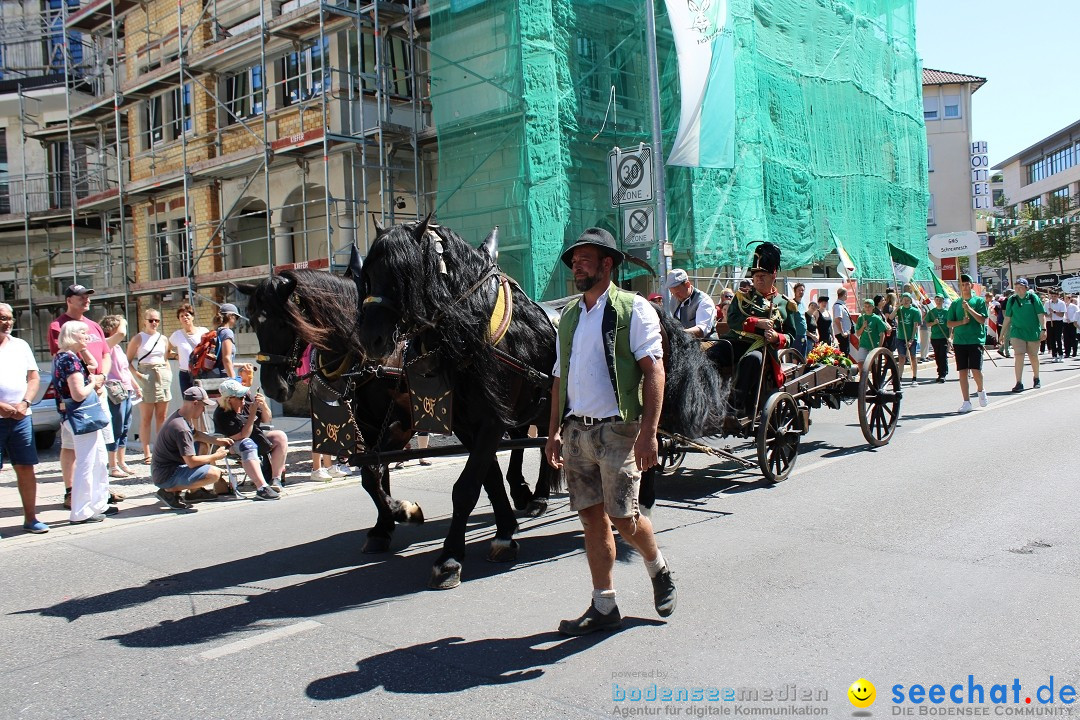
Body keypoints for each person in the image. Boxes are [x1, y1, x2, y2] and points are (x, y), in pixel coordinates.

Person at [544, 227, 675, 635]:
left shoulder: (633, 309)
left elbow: (654, 372)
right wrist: (551, 434)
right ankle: (604, 605)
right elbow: (558, 379)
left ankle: (658, 568)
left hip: (618, 431)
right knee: (590, 520)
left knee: (623, 517)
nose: (575, 265)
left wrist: (648, 432)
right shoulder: (567, 315)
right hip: (576, 433)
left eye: (584, 258)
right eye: (573, 260)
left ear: (607, 263)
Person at [48, 284, 119, 510]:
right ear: (69, 299)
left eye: (88, 296)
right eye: (81, 297)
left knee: (101, 445)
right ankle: (73, 493)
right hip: (79, 394)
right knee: (73, 447)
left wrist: (101, 378)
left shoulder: (94, 326)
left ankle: (99, 492)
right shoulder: (58, 326)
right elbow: (65, 356)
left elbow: (106, 355)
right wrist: (91, 380)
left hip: (97, 389)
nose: (87, 300)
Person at [715, 243, 797, 418]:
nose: (758, 279)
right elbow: (734, 320)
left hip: (762, 348)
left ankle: (736, 406)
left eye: (763, 275)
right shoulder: (742, 297)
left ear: (773, 275)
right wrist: (756, 322)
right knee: (711, 353)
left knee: (752, 360)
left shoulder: (785, 303)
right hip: (736, 341)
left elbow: (791, 336)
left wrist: (776, 336)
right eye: (756, 275)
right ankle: (707, 398)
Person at [54, 321, 115, 524]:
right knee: (86, 463)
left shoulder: (69, 356)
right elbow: (78, 394)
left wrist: (85, 348)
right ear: (71, 335)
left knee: (98, 458)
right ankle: (80, 511)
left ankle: (97, 504)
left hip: (81, 417)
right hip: (80, 416)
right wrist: (93, 382)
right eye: (83, 333)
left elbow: (94, 365)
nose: (87, 337)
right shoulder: (68, 360)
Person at [0, 304, 47, 534]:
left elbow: (33, 377)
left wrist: (25, 402)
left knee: (26, 467)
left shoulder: (21, 345)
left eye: (10, 318)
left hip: (21, 417)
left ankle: (31, 518)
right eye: (2, 318)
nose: (7, 323)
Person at [152, 386, 235, 511]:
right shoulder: (181, 428)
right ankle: (168, 492)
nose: (203, 410)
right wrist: (215, 456)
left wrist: (217, 441)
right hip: (166, 476)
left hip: (165, 469)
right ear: (195, 403)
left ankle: (194, 493)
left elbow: (195, 434)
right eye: (203, 406)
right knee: (214, 474)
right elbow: (191, 462)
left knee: (202, 444)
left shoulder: (181, 416)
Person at [214, 378, 289, 491]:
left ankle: (276, 479)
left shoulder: (246, 402)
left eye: (244, 395)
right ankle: (262, 485)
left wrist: (263, 405)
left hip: (256, 437)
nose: (243, 398)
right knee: (247, 443)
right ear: (229, 400)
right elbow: (243, 436)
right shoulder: (222, 415)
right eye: (240, 397)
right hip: (236, 443)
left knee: (280, 436)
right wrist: (252, 415)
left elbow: (267, 418)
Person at [127, 308, 172, 464]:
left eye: (157, 320)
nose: (154, 323)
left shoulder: (164, 339)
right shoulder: (138, 338)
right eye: (151, 320)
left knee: (162, 416)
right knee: (146, 417)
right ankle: (146, 453)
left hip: (162, 375)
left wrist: (169, 374)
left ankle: (161, 450)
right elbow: (127, 361)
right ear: (144, 321)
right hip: (146, 374)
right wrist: (138, 375)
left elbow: (165, 358)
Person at [100, 315, 140, 478]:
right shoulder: (107, 345)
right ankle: (112, 464)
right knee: (116, 427)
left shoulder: (117, 348)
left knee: (125, 427)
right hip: (115, 391)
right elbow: (122, 333)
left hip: (126, 389)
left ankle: (122, 461)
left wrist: (136, 386)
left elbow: (124, 370)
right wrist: (122, 320)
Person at [946, 273, 989, 413]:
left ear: (971, 285)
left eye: (967, 284)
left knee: (976, 370)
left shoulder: (979, 301)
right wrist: (961, 322)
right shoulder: (955, 303)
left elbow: (982, 320)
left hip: (975, 339)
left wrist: (969, 309)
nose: (964, 286)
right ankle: (966, 401)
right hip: (960, 341)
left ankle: (981, 390)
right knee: (962, 372)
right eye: (962, 284)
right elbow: (949, 323)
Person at [1000, 278, 1045, 392]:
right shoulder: (1012, 299)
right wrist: (1002, 333)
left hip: (1032, 331)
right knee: (1019, 355)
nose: (1018, 289)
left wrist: (1043, 329)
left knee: (1033, 356)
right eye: (1016, 287)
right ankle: (1019, 382)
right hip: (1017, 331)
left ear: (1026, 288)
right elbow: (1007, 318)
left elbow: (1040, 314)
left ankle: (1036, 378)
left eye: (1021, 287)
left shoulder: (1032, 297)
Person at [168, 303, 209, 393]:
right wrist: (176, 356)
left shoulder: (203, 331)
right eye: (181, 316)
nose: (184, 318)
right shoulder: (176, 335)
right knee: (188, 402)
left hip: (202, 372)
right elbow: (167, 350)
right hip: (185, 374)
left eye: (187, 315)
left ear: (192, 317)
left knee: (204, 400)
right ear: (179, 319)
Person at [665, 268, 716, 338]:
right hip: (685, 342)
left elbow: (701, 331)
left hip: (706, 341)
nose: (676, 296)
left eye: (678, 292)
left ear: (687, 285)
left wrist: (678, 333)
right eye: (673, 293)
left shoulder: (704, 301)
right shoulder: (673, 300)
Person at [894, 293, 922, 384]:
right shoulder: (900, 310)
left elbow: (915, 326)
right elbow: (890, 317)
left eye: (907, 299)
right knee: (901, 357)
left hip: (911, 337)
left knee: (913, 357)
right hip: (901, 337)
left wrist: (911, 340)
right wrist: (897, 307)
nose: (905, 301)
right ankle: (899, 378)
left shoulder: (915, 311)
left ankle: (914, 377)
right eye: (904, 299)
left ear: (910, 300)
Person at [207, 303, 241, 379]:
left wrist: (243, 364)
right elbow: (226, 358)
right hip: (223, 376)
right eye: (236, 317)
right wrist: (233, 379)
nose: (236, 320)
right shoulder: (227, 332)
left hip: (213, 375)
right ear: (230, 316)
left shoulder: (216, 331)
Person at [924, 294, 950, 383]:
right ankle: (939, 373)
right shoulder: (932, 312)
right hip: (935, 337)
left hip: (944, 337)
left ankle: (943, 374)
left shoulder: (947, 311)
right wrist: (934, 323)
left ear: (943, 301)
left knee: (943, 355)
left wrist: (950, 337)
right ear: (935, 301)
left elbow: (950, 325)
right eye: (937, 299)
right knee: (937, 356)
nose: (938, 301)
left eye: (940, 300)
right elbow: (927, 324)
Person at [853, 299, 887, 365]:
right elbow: (858, 333)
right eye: (865, 306)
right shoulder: (861, 318)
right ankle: (862, 375)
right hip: (863, 344)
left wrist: (879, 347)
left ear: (873, 307)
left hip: (873, 345)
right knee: (860, 363)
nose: (867, 308)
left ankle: (872, 375)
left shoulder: (877, 318)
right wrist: (863, 326)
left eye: (869, 306)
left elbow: (882, 334)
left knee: (872, 365)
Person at [1046, 290, 1066, 362]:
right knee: (1052, 339)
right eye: (1052, 296)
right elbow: (1045, 314)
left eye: (1055, 296)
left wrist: (1054, 311)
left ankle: (1061, 354)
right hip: (1050, 322)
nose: (1053, 297)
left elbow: (1061, 315)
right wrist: (1048, 315)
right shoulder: (1047, 303)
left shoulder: (1062, 303)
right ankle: (1054, 355)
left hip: (1058, 322)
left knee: (1058, 338)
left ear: (1058, 296)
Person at [832, 288, 852, 356]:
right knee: (844, 352)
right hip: (842, 334)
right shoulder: (838, 306)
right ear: (845, 294)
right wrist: (842, 332)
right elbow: (838, 320)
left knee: (846, 351)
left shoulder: (842, 305)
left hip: (845, 332)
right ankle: (843, 366)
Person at [790, 282, 808, 355]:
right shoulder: (792, 304)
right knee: (796, 358)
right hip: (796, 336)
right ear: (795, 291)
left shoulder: (802, 303)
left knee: (803, 359)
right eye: (799, 290)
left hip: (804, 335)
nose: (801, 292)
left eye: (802, 290)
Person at [1064, 294, 1079, 359]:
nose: (1066, 300)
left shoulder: (1074, 307)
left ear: (1070, 299)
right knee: (1066, 338)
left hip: (1072, 323)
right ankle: (1067, 352)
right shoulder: (1063, 306)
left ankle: (1074, 352)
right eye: (1065, 299)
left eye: (1067, 299)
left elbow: (1077, 315)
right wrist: (1065, 319)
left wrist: (1071, 320)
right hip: (1065, 323)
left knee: (1073, 338)